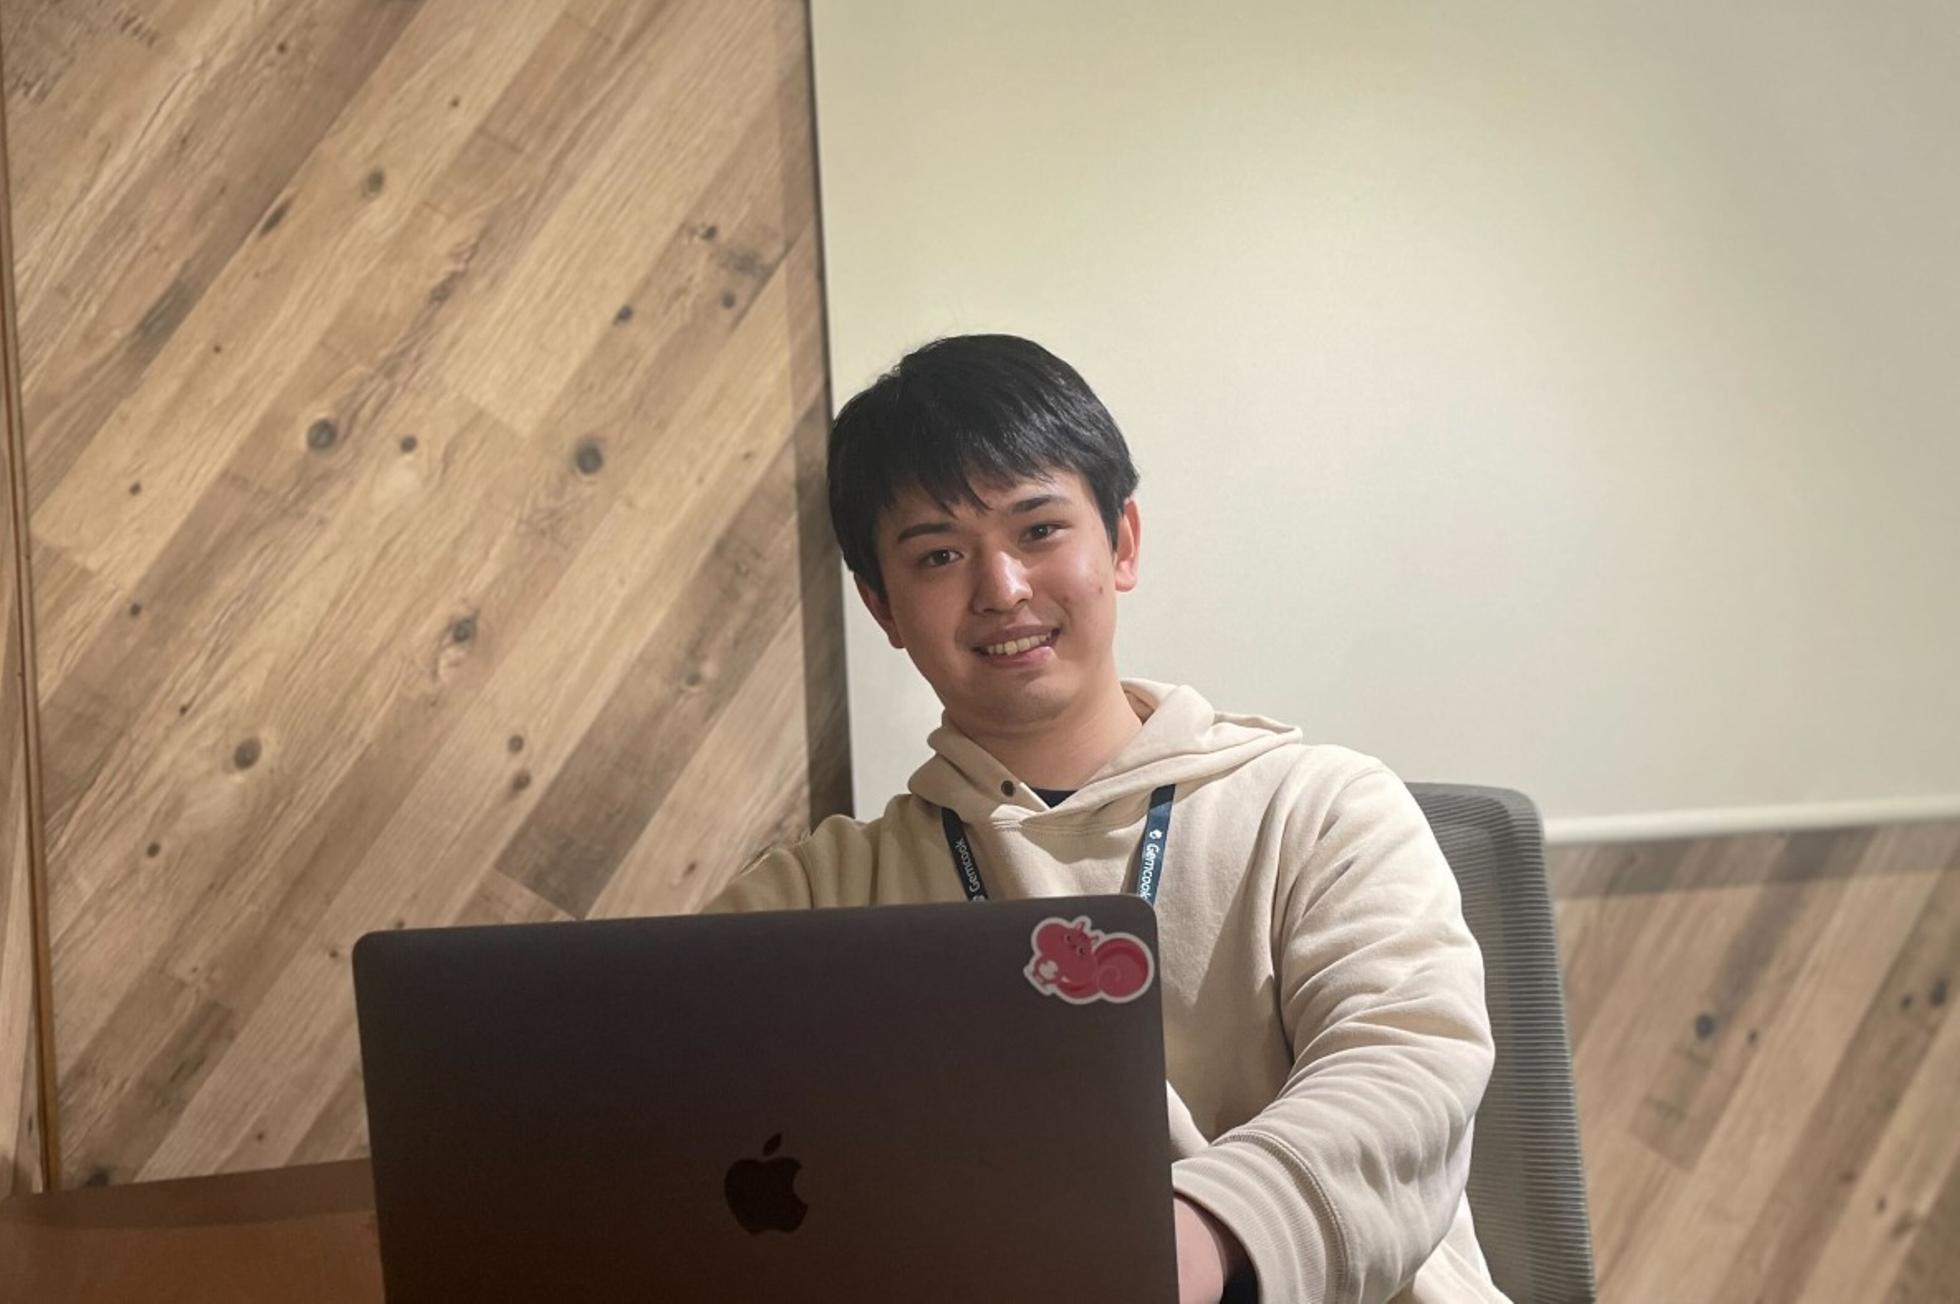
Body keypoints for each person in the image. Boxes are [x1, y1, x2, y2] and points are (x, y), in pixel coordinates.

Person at [704, 334, 1506, 1303]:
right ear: (882, 606)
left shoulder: (1321, 808)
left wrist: (1201, 1234)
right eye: (939, 554)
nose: (1002, 588)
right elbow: (650, 1101)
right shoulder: (821, 895)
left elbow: (1406, 1065)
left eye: (1039, 529)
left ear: (1122, 541)